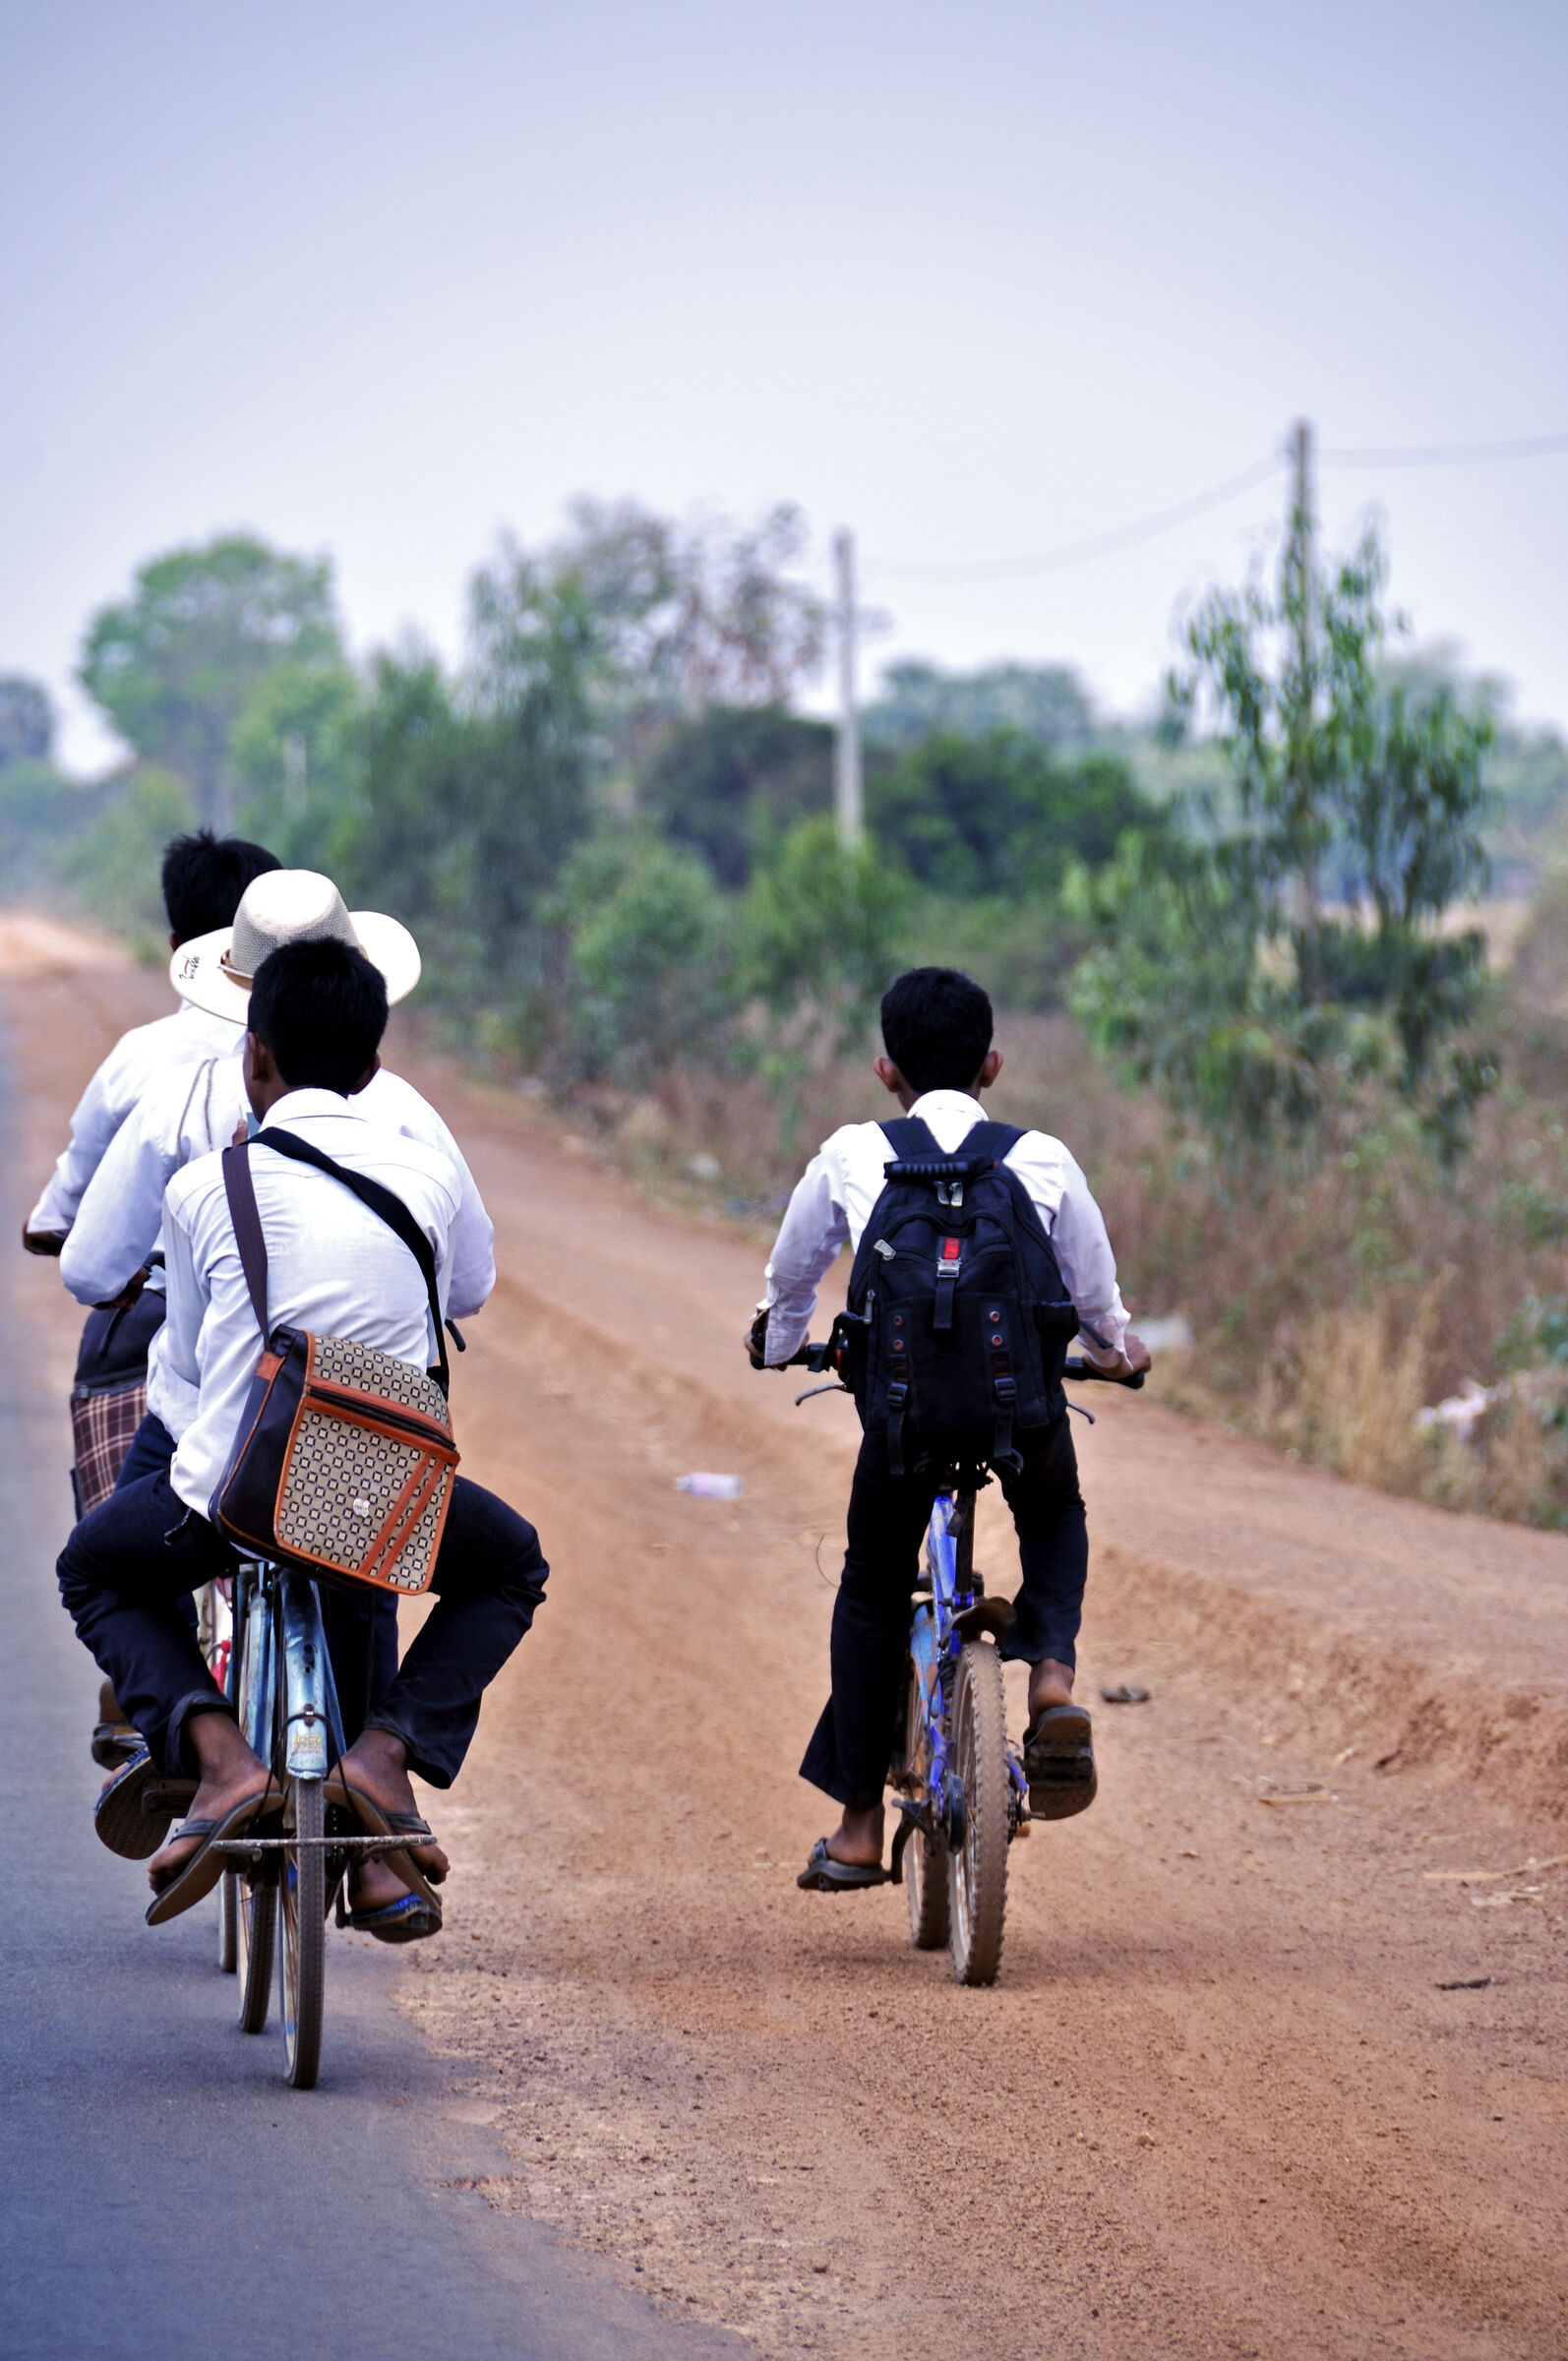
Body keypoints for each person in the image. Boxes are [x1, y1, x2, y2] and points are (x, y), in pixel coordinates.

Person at [57, 937, 549, 1943]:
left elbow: (188, 1363)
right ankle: (383, 1760)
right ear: (374, 1068)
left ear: (256, 1058)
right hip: (370, 1476)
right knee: (506, 1566)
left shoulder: (207, 1188)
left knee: (96, 1569)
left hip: (235, 1487)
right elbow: (468, 1293)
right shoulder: (428, 1174)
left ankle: (216, 1754)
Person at [748, 966, 1150, 1889]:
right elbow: (1094, 1301)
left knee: (873, 1583)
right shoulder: (1040, 1156)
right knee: (1053, 1510)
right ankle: (1050, 1671)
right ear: (993, 1066)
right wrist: (1122, 1354)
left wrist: (776, 1347)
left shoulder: (854, 1152)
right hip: (1020, 1413)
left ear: (886, 1070)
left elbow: (792, 1280)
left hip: (902, 1425)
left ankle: (855, 1827)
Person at [22, 829, 280, 1259]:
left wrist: (50, 1221)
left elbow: (65, 1205)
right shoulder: (335, 1064)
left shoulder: (140, 1056)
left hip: (161, 1298)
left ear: (177, 948)